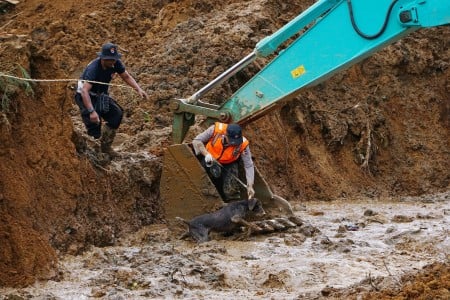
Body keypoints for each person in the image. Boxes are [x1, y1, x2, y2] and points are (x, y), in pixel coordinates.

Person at [74, 42, 148, 158]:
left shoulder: (115, 63)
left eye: (114, 59)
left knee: (116, 114)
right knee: (94, 124)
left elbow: (126, 76)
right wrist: (91, 111)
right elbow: (84, 91)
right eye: (109, 60)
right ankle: (95, 154)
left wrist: (138, 89)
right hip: (86, 96)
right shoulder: (93, 69)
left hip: (101, 94)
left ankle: (106, 147)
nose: (112, 62)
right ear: (102, 58)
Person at [192, 122, 255, 202]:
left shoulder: (243, 144)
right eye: (232, 141)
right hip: (210, 160)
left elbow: (248, 165)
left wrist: (250, 185)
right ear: (225, 135)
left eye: (236, 142)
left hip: (229, 163)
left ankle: (232, 202)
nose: (234, 144)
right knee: (204, 179)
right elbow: (196, 141)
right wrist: (206, 154)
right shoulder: (215, 130)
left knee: (231, 188)